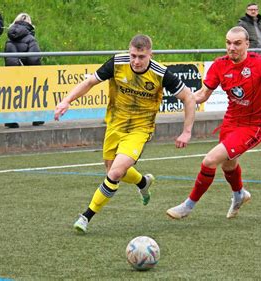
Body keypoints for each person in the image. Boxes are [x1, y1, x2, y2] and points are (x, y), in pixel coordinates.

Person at [54, 34, 196, 233]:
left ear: (150, 55)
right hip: (114, 125)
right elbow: (90, 82)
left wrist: (186, 131)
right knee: (112, 170)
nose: (136, 61)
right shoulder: (117, 63)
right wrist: (66, 101)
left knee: (115, 173)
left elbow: (188, 98)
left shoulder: (161, 74)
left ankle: (86, 217)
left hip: (140, 129)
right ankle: (143, 182)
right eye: (133, 56)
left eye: (141, 57)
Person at [166, 26, 261, 220]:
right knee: (228, 166)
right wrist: (185, 98)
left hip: (253, 126)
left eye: (237, 43)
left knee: (210, 160)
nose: (232, 47)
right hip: (230, 122)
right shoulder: (220, 65)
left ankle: (188, 206)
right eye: (228, 43)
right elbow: (203, 94)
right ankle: (239, 195)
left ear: (247, 44)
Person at [4, 13, 43, 128]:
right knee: (34, 93)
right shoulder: (31, 39)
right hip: (27, 71)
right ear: (29, 23)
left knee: (13, 95)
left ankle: (11, 120)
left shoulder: (9, 38)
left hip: (12, 71)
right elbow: (34, 58)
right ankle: (37, 118)